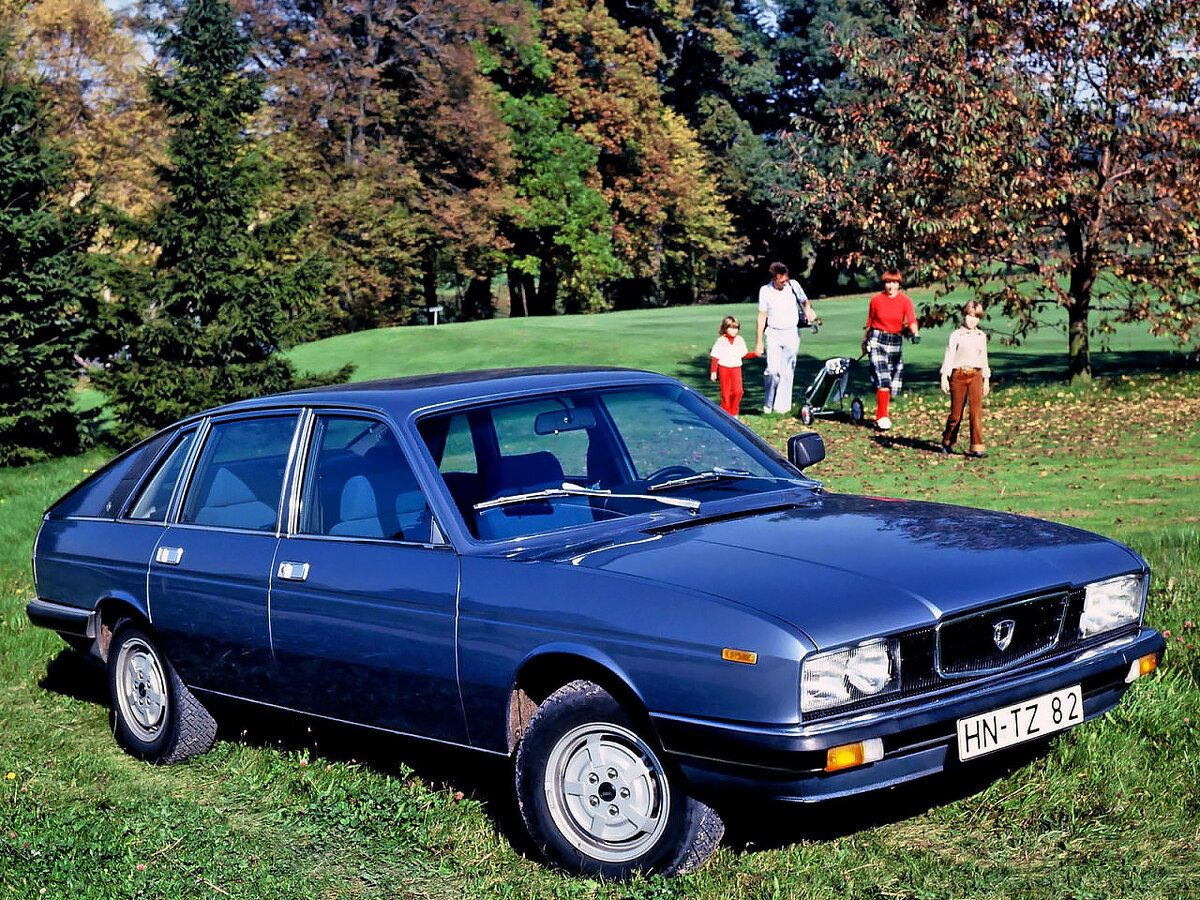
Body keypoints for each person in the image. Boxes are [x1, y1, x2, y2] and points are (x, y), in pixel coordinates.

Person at [861, 269, 919, 431]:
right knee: (883, 378)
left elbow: (912, 320)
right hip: (877, 339)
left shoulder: (905, 301)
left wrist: (915, 332)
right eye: (888, 282)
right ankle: (882, 417)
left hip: (895, 340)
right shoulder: (876, 300)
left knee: (891, 381)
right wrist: (864, 341)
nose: (891, 286)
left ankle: (881, 415)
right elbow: (870, 321)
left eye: (894, 282)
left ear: (899, 284)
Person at [754, 262, 816, 414]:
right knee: (772, 371)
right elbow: (762, 316)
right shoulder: (765, 291)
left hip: (792, 333)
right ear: (774, 279)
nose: (785, 283)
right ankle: (768, 403)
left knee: (787, 372)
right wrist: (758, 342)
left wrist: (808, 310)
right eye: (782, 281)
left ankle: (782, 408)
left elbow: (805, 301)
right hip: (773, 333)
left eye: (786, 279)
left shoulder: (793, 285)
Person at [939, 300, 991, 457]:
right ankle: (947, 441)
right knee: (956, 414)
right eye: (969, 316)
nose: (972, 320)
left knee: (976, 413)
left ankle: (977, 447)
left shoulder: (981, 336)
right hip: (959, 375)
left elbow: (983, 358)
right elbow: (949, 357)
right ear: (963, 316)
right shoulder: (956, 335)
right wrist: (944, 376)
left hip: (976, 375)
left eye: (976, 317)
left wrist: (986, 379)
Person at [709, 315, 757, 417]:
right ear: (725, 328)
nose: (734, 331)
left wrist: (755, 354)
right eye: (731, 328)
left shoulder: (740, 340)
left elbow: (744, 354)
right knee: (726, 393)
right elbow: (715, 357)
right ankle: (726, 413)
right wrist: (713, 371)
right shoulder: (721, 341)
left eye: (736, 328)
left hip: (736, 368)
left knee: (738, 391)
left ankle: (734, 411)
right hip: (724, 368)